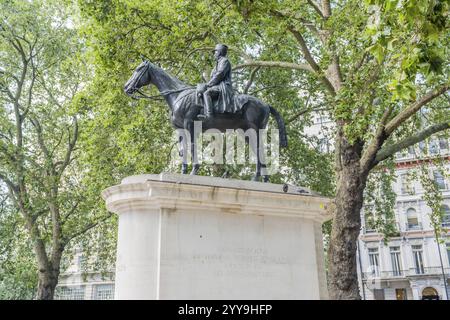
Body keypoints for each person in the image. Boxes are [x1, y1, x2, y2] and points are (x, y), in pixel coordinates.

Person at [198, 44, 234, 120]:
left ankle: (209, 115)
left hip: (223, 86)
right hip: (216, 86)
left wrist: (208, 84)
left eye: (215, 52)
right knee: (199, 92)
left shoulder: (225, 61)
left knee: (207, 93)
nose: (214, 54)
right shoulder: (217, 64)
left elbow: (220, 74)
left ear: (219, 52)